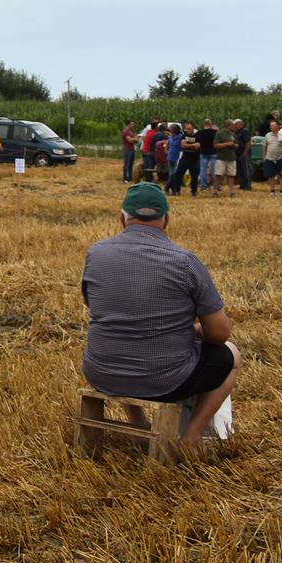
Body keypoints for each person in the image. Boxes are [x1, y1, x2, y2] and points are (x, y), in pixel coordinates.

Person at [82, 183, 241, 453]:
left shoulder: (95, 254)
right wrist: (191, 329)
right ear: (166, 220)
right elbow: (219, 334)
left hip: (101, 372)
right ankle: (191, 438)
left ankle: (138, 424)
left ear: (122, 218)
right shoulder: (185, 261)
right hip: (165, 380)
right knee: (231, 355)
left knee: (122, 340)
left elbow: (98, 308)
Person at [263, 121, 282, 195]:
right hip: (270, 157)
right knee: (270, 175)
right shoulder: (267, 135)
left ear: (278, 126)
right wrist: (265, 156)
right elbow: (265, 146)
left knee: (281, 175)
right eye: (270, 125)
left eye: (273, 125)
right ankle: (272, 191)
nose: (271, 127)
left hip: (280, 157)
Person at [211, 121, 237, 194]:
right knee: (218, 174)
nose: (233, 127)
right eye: (232, 125)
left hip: (231, 157)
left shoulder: (233, 134)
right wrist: (227, 144)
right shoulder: (219, 133)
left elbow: (237, 144)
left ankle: (231, 191)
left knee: (231, 175)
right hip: (221, 157)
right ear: (228, 126)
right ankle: (215, 191)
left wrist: (234, 145)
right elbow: (215, 145)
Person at [196, 120, 218, 192]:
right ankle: (216, 186)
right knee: (214, 170)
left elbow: (198, 143)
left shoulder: (200, 132)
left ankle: (204, 186)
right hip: (213, 152)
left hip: (203, 152)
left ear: (204, 124)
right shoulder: (215, 132)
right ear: (210, 124)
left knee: (203, 170)